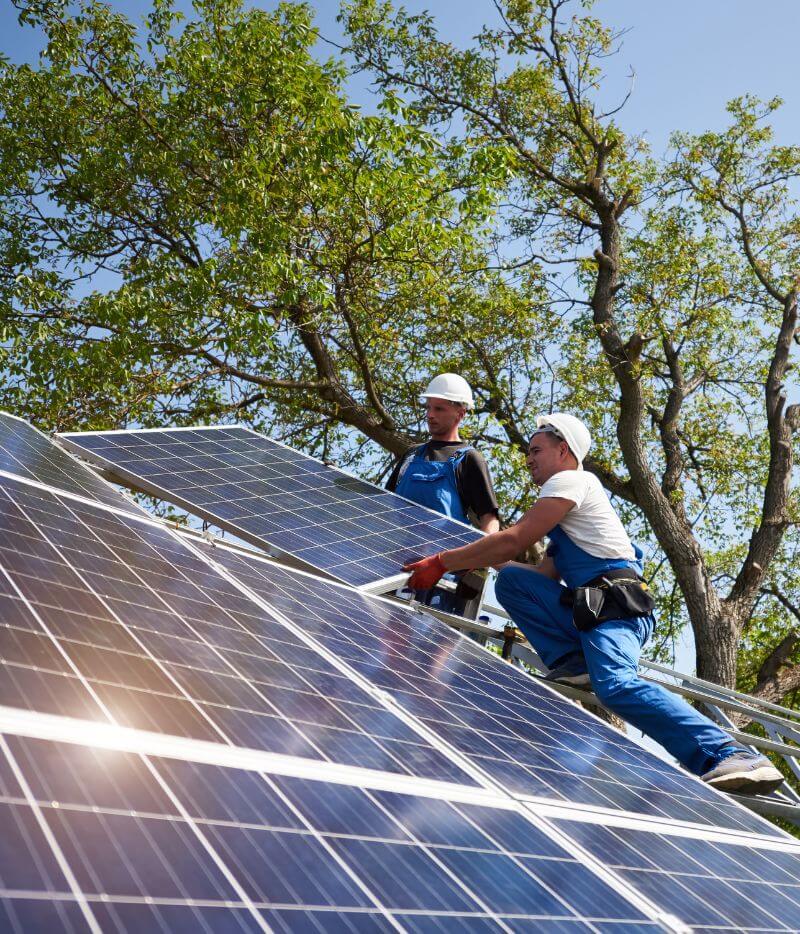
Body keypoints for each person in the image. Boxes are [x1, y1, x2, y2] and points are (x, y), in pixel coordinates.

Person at [403, 412, 784, 795]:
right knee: (515, 582)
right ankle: (575, 662)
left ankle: (729, 753)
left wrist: (442, 561)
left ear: (564, 450)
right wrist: (475, 553)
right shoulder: (567, 519)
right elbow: (538, 577)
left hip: (616, 610)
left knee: (616, 684)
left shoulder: (572, 481)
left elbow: (513, 540)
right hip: (593, 611)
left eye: (536, 450)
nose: (528, 458)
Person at [388, 373, 500, 615]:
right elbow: (383, 508)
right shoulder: (410, 456)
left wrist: (476, 564)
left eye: (439, 408)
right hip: (396, 570)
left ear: (460, 413)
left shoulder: (469, 459)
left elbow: (490, 521)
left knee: (433, 648)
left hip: (443, 578)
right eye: (428, 407)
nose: (430, 414)